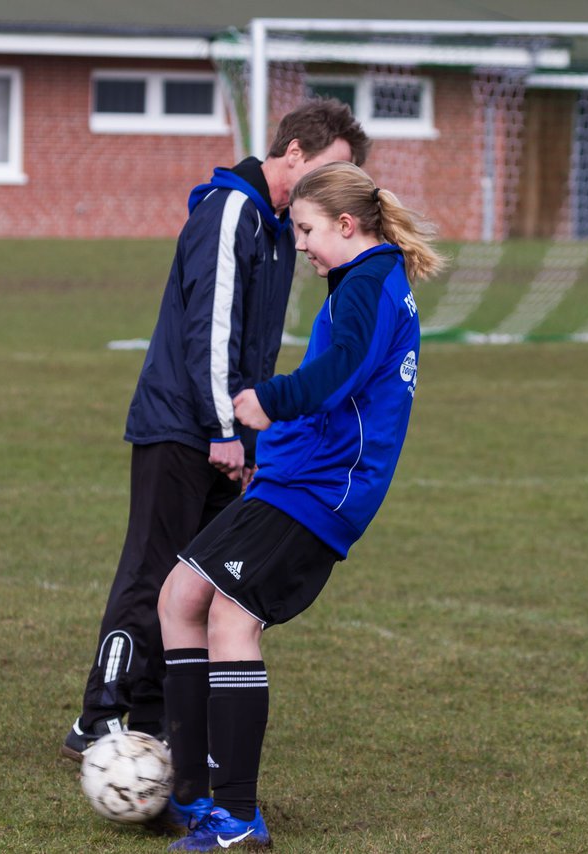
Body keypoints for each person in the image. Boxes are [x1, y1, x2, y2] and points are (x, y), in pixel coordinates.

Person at [62, 102, 371, 763]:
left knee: (194, 580)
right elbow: (211, 332)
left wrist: (252, 442)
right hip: (182, 425)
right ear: (294, 151)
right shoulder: (232, 210)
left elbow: (256, 353)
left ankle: (151, 718)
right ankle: (101, 715)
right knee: (152, 572)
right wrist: (225, 427)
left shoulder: (282, 228)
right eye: (331, 167)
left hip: (228, 436)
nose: (336, 183)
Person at [155, 161, 446, 850]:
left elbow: (338, 372)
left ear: (348, 225)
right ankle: (191, 793)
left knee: (230, 616)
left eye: (309, 230)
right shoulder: (364, 281)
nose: (304, 245)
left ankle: (235, 817)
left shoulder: (370, 287)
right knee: (179, 596)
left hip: (321, 494)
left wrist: (270, 400)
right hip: (296, 481)